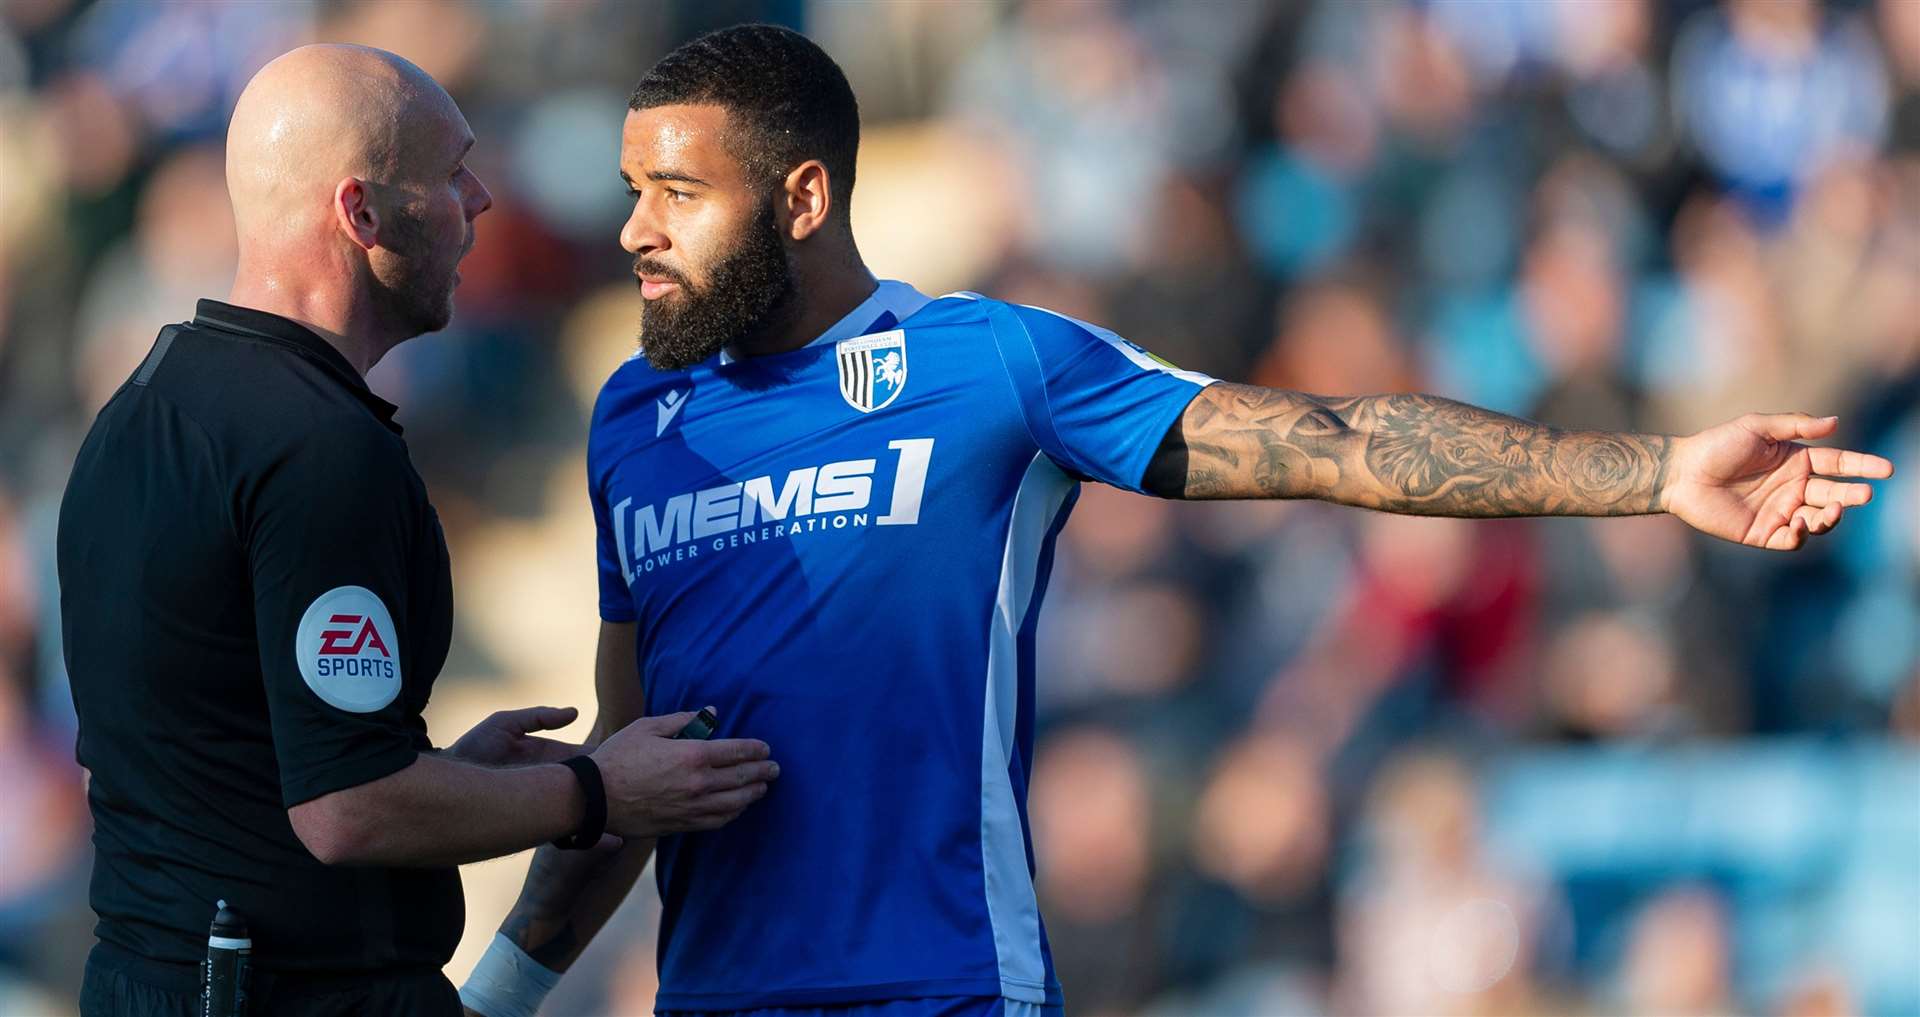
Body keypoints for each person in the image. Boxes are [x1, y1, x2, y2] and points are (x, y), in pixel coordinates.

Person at [457, 24, 1896, 1017]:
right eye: (635, 191)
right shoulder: (634, 430)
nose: (634, 229)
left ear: (805, 196)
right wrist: (498, 997)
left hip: (949, 991)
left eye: (677, 194)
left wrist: (1650, 472)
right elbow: (627, 772)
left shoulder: (988, 364)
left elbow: (1333, 443)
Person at [56, 44, 777, 1017]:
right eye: (449, 173)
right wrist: (602, 790)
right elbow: (346, 811)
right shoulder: (313, 447)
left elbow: (231, 760)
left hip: (156, 976)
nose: (480, 199)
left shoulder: (142, 407)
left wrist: (449, 777)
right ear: (360, 213)